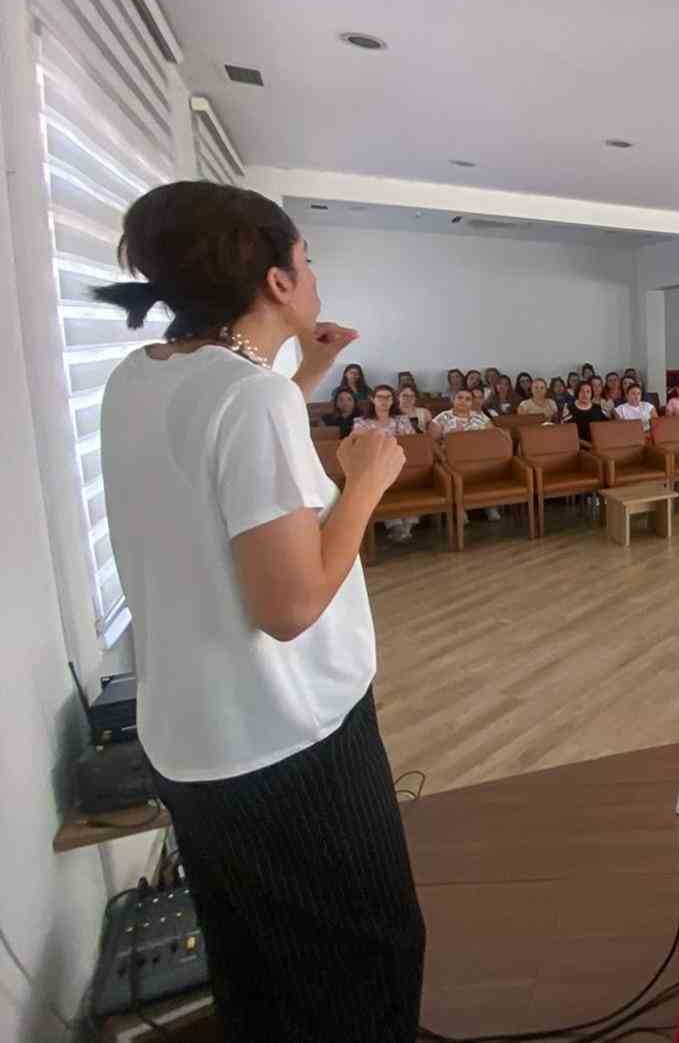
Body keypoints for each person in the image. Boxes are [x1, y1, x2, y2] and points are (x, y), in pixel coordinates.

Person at [94, 180, 423, 1040]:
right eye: (306, 260)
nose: (313, 276)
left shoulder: (140, 377)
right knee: (366, 962)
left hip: (196, 742)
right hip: (288, 740)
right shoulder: (251, 399)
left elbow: (220, 472)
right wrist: (366, 482)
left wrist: (300, 374)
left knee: (258, 966)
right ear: (277, 282)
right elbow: (291, 601)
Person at [356, 386, 420, 542]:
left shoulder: (402, 419)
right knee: (380, 482)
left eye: (388, 397)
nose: (384, 401)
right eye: (380, 397)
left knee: (413, 479)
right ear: (373, 399)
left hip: (402, 464)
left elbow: (413, 443)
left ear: (393, 400)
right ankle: (395, 525)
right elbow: (358, 448)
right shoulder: (362, 422)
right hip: (375, 467)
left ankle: (408, 525)